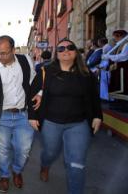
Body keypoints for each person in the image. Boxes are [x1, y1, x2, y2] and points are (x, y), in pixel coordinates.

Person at [29, 39, 102, 194]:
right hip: (51, 122)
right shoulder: (46, 71)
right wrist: (32, 116)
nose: (66, 51)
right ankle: (45, 164)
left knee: (76, 164)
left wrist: (97, 116)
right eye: (61, 48)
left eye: (70, 47)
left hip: (79, 124)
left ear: (75, 51)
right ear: (57, 54)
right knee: (50, 152)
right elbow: (32, 94)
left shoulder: (86, 73)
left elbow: (94, 96)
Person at [0, 35, 37, 192]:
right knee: (2, 149)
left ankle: (17, 170)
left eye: (5, 53)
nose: (1, 57)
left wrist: (39, 93)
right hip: (2, 116)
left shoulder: (26, 60)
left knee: (24, 149)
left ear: (13, 50)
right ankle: (5, 175)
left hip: (24, 114)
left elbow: (34, 81)